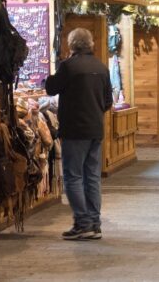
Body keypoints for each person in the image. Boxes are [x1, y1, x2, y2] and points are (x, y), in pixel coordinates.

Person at [45, 27, 113, 240]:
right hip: (95, 129)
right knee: (92, 177)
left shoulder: (68, 67)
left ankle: (83, 223)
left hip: (75, 130)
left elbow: (51, 88)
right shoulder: (101, 67)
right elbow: (108, 101)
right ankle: (94, 222)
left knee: (73, 177)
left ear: (71, 45)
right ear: (91, 43)